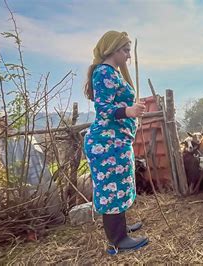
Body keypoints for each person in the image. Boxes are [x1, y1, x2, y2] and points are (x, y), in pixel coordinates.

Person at [83, 30, 148, 255]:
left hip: (116, 141)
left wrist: (130, 111)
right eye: (125, 50)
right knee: (111, 189)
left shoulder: (113, 73)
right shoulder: (103, 72)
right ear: (113, 49)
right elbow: (103, 109)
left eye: (130, 50)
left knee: (119, 186)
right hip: (106, 143)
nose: (129, 55)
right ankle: (117, 241)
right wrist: (129, 110)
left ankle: (120, 229)